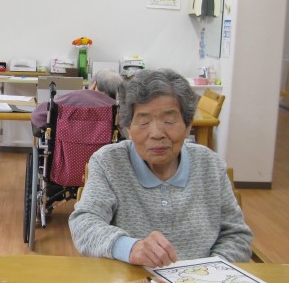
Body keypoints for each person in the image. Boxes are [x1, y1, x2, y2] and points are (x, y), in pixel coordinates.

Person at [69, 68, 253, 268]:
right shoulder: (108, 162)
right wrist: (131, 248)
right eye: (143, 121)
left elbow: (236, 236)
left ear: (188, 126)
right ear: (128, 128)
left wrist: (209, 272)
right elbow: (84, 223)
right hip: (131, 281)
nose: (157, 133)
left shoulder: (210, 165)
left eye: (169, 121)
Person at [30, 69, 123, 129]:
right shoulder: (118, 110)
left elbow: (37, 115)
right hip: (103, 153)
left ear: (94, 85)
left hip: (66, 151)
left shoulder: (76, 97)